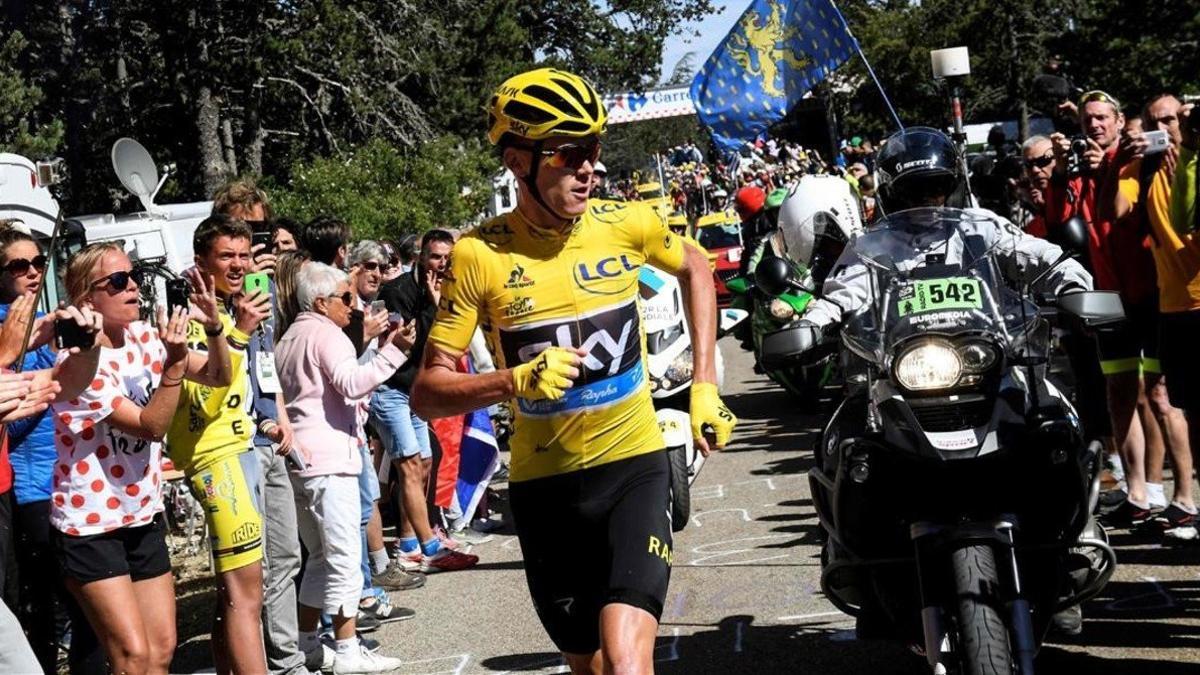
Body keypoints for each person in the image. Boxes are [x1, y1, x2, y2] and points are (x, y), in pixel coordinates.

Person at [410, 68, 737, 674]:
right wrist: (514, 381)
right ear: (517, 161)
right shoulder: (478, 255)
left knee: (627, 661)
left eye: (594, 149)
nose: (589, 167)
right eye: (569, 153)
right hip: (546, 489)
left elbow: (695, 267)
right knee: (589, 665)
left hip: (635, 468)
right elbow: (427, 394)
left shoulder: (626, 223)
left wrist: (705, 384)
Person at [51, 242, 229, 675]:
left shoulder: (145, 337)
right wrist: (173, 367)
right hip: (91, 522)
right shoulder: (75, 364)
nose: (133, 286)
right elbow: (151, 426)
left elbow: (219, 375)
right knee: (133, 656)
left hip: (141, 513)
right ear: (86, 298)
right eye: (117, 281)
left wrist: (216, 330)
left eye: (133, 277)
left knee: (162, 649)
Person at [275, 262, 416, 673]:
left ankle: (308, 645)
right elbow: (352, 383)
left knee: (319, 558)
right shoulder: (326, 333)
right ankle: (348, 649)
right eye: (346, 297)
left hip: (300, 461)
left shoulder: (289, 336)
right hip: (329, 460)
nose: (354, 308)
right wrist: (395, 350)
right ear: (321, 302)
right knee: (341, 557)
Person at [1048, 90, 1164, 526]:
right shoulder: (1077, 167)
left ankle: (1156, 484)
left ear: (1118, 121)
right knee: (1116, 391)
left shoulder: (1135, 159)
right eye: (1087, 120)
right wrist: (1061, 170)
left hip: (1146, 287)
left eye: (1101, 118)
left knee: (1152, 393)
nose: (1094, 125)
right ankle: (1134, 488)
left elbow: (1124, 214)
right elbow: (1060, 220)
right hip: (1100, 291)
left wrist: (1112, 166)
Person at [165, 215, 275, 673]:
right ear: (199, 265)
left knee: (234, 591)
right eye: (226, 256)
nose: (238, 265)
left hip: (241, 449)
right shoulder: (186, 319)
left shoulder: (231, 311)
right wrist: (237, 333)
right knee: (247, 593)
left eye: (243, 255)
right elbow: (208, 387)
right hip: (215, 460)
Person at [1105, 94, 1196, 529]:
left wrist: (1188, 159)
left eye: (1173, 121)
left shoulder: (1195, 165)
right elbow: (1118, 212)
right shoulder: (1140, 168)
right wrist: (1126, 159)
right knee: (1187, 405)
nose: (1167, 130)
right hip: (1173, 305)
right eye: (1157, 124)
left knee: (1166, 402)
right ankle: (1185, 502)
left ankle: (1180, 495)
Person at [374, 229, 479, 574]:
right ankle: (428, 548)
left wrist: (438, 304)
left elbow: (452, 347)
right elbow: (409, 346)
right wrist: (432, 307)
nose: (442, 264)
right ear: (421, 257)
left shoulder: (449, 292)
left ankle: (409, 541)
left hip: (414, 391)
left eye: (447, 258)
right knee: (408, 464)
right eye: (435, 257)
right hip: (390, 389)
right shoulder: (397, 291)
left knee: (424, 464)